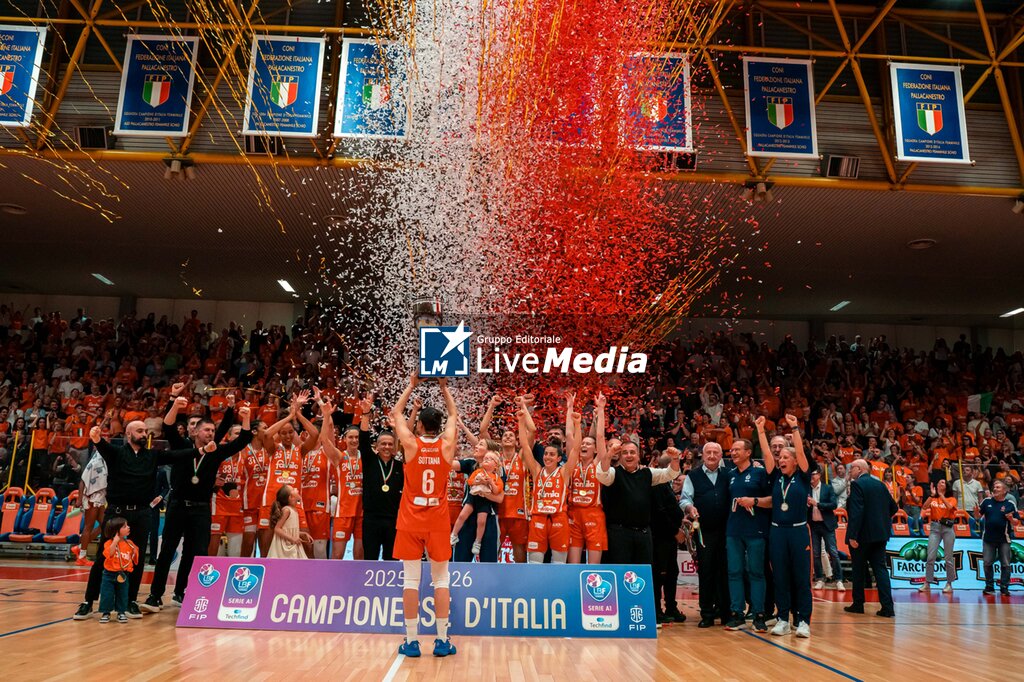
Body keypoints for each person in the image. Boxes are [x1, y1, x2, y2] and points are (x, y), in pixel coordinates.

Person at [73, 421, 200, 621]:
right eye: (139, 431)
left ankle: (130, 601)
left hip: (141, 513)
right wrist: (96, 438)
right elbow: (102, 446)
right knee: (103, 557)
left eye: (145, 431)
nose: (144, 434)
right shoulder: (116, 453)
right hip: (116, 513)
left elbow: (175, 455)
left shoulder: (152, 456)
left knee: (136, 558)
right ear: (128, 434)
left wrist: (200, 451)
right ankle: (88, 602)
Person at [143, 405, 253, 612]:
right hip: (178, 505)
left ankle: (181, 593)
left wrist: (246, 418)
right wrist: (175, 404)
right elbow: (168, 426)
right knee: (167, 550)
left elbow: (243, 440)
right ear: (195, 432)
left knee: (194, 553)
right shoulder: (182, 446)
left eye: (212, 430)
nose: (210, 433)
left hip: (201, 509)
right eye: (206, 430)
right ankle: (155, 596)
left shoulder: (216, 451)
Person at [390, 374, 458, 658]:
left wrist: (411, 385)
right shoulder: (447, 445)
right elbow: (453, 414)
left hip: (410, 519)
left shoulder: (411, 444)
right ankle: (441, 640)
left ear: (418, 425)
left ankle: (411, 641)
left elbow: (396, 413)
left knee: (410, 581)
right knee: (441, 580)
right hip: (437, 519)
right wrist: (444, 388)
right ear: (439, 427)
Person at [595, 397, 682, 565]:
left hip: (644, 534)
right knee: (621, 574)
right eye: (625, 452)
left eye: (632, 452)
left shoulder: (647, 473)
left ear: (639, 455)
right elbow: (602, 473)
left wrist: (675, 459)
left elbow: (671, 473)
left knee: (643, 574)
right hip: (619, 534)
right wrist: (609, 454)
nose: (629, 455)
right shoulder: (614, 473)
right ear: (620, 456)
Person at [763, 414, 814, 638]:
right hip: (777, 531)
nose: (781, 460)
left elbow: (801, 452)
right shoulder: (776, 476)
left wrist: (795, 428)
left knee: (801, 578)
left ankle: (803, 621)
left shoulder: (803, 477)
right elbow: (767, 454)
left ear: (794, 461)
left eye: (785, 457)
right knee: (780, 577)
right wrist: (760, 430)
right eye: (780, 457)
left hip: (798, 531)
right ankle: (783, 619)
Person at [522, 392, 580, 564]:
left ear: (559, 458)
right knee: (535, 564)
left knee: (559, 564)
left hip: (559, 518)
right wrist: (520, 421)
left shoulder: (564, 472)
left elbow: (576, 449)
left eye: (551, 454)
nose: (547, 457)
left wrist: (577, 425)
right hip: (538, 518)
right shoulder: (537, 470)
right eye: (546, 454)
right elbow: (525, 446)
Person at [679, 441, 731, 628]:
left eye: (715, 452)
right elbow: (685, 499)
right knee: (706, 572)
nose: (711, 455)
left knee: (725, 572)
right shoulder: (693, 475)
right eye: (708, 452)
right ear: (702, 455)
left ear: (721, 456)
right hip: (704, 532)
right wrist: (689, 508)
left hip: (727, 531)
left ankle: (726, 613)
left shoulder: (729, 474)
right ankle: (707, 614)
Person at [727, 430, 771, 633]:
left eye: (737, 449)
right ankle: (737, 614)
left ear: (748, 452)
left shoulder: (760, 473)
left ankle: (759, 614)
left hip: (756, 530)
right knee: (734, 572)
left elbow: (772, 501)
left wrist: (754, 501)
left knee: (756, 572)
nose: (733, 452)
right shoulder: (730, 475)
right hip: (734, 531)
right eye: (732, 450)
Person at [844, 458, 897, 617]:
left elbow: (856, 512)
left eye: (852, 468)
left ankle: (858, 604)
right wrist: (880, 520)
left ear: (860, 469)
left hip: (862, 536)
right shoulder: (880, 484)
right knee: (880, 570)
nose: (850, 471)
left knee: (858, 570)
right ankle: (888, 607)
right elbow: (894, 507)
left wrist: (853, 535)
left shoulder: (857, 485)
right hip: (880, 534)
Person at [566, 394, 607, 565]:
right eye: (582, 443)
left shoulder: (598, 463)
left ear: (596, 450)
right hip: (574, 514)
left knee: (593, 567)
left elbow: (600, 436)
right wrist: (569, 408)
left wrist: (601, 410)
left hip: (594, 514)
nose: (583, 445)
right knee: (573, 565)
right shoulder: (573, 464)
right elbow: (569, 435)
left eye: (588, 444)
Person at [651, 455, 686, 624]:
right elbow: (660, 513)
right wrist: (675, 531)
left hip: (669, 537)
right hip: (660, 537)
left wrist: (681, 521)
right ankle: (656, 610)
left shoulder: (666, 484)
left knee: (672, 573)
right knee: (660, 574)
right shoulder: (657, 484)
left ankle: (671, 607)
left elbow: (671, 509)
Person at [450, 451, 503, 555]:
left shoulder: (497, 478)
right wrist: (478, 481)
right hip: (473, 497)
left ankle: (477, 542)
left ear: (496, 465)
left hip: (484, 501)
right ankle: (454, 535)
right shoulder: (478, 471)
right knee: (462, 515)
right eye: (485, 458)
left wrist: (490, 482)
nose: (486, 459)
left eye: (490, 459)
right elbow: (469, 482)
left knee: (481, 521)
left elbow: (497, 491)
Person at [976, 480, 1020, 596]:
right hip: (988, 539)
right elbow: (978, 516)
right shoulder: (986, 501)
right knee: (987, 563)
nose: (995, 489)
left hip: (1004, 539)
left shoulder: (1010, 504)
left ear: (1004, 491)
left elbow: (1016, 522)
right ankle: (989, 587)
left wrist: (1011, 519)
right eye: (994, 487)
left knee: (1005, 564)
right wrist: (976, 513)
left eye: (998, 487)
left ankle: (1004, 588)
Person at [808, 469, 844, 591]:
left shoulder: (827, 488)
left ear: (819, 475)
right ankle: (819, 579)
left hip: (827, 525)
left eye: (813, 474)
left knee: (833, 552)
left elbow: (833, 505)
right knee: (816, 554)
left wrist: (817, 504)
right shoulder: (807, 489)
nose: (811, 476)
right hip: (814, 525)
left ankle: (839, 580)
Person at [919, 478, 957, 593]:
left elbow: (949, 507)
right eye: (939, 482)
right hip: (935, 527)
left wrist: (941, 495)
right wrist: (932, 495)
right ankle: (927, 583)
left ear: (947, 486)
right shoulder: (933, 498)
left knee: (948, 558)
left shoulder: (952, 499)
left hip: (947, 528)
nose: (940, 483)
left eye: (943, 482)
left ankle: (949, 584)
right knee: (930, 557)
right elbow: (924, 507)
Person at [98, 516, 138, 624]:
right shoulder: (108, 543)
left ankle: (121, 612)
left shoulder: (129, 543)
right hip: (109, 574)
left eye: (127, 525)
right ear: (116, 531)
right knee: (107, 594)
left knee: (123, 594)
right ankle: (106, 612)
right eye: (124, 526)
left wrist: (135, 552)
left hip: (123, 574)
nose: (128, 527)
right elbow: (110, 554)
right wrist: (115, 542)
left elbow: (134, 557)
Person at [75, 448, 108, 566]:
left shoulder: (105, 462)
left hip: (101, 497)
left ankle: (79, 547)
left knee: (105, 525)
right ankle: (81, 557)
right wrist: (79, 498)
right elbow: (82, 481)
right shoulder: (94, 463)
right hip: (92, 497)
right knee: (88, 526)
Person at [267, 485, 312, 559]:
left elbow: (288, 530)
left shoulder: (295, 510)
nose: (296, 488)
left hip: (292, 544)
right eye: (293, 489)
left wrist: (302, 533)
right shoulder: (286, 510)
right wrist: (292, 539)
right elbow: (277, 529)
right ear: (291, 497)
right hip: (284, 547)